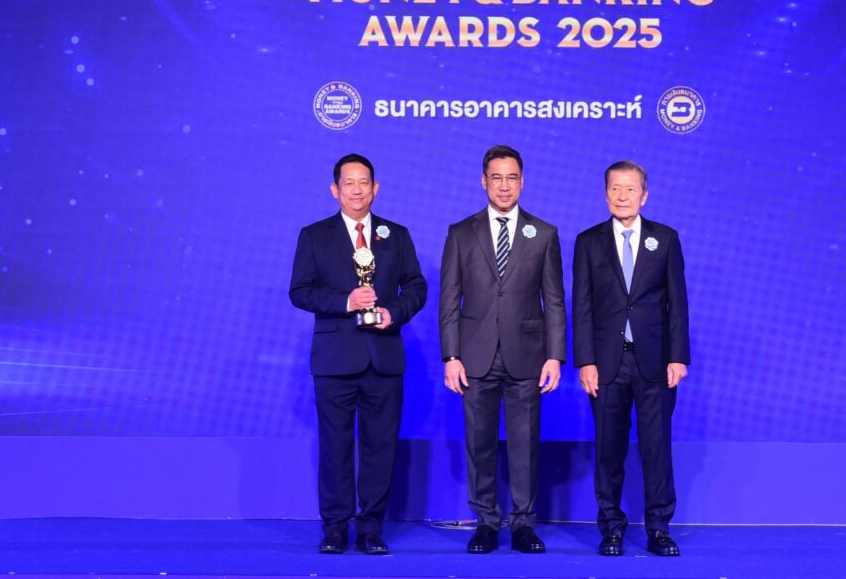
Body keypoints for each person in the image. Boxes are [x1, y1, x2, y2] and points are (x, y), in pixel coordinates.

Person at [289, 154, 427, 555]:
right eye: (348, 183)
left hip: (383, 357)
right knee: (335, 447)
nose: (356, 190)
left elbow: (416, 287)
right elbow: (300, 292)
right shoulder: (315, 235)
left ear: (375, 188)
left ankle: (371, 528)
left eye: (364, 182)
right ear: (335, 190)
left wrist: (393, 312)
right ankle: (335, 527)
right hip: (334, 359)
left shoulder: (395, 235)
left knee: (380, 446)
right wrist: (346, 301)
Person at [439, 145, 566, 554]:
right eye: (497, 177)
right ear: (483, 181)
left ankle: (524, 524)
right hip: (474, 356)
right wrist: (451, 356)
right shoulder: (461, 233)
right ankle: (487, 523)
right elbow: (449, 300)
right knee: (479, 444)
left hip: (527, 355)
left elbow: (554, 300)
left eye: (512, 177)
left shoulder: (544, 233)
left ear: (522, 182)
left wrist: (555, 355)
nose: (504, 186)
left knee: (525, 443)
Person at [572, 160, 691, 557]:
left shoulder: (665, 239)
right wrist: (585, 361)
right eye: (615, 189)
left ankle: (659, 529)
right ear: (605, 193)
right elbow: (582, 307)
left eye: (630, 189)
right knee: (609, 450)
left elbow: (677, 304)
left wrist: (678, 356)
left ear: (644, 196)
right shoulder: (588, 241)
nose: (622, 196)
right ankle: (611, 528)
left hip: (655, 363)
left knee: (656, 448)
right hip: (607, 364)